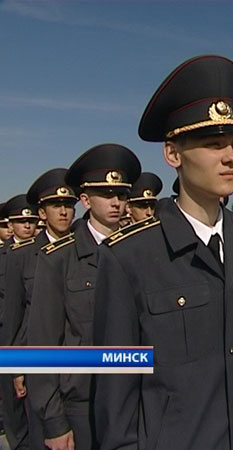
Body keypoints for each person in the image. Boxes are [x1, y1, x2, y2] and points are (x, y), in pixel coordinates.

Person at [92, 55, 233, 450]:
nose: (231, 157)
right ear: (173, 154)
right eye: (214, 144)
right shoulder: (130, 257)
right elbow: (117, 391)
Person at [27, 144, 140, 450]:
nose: (116, 202)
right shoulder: (58, 260)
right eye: (106, 194)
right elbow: (42, 345)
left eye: (122, 195)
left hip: (136, 399)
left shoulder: (142, 253)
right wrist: (53, 422)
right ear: (86, 200)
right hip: (82, 403)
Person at [3, 169, 78, 450]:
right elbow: (13, 317)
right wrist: (15, 368)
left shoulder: (84, 250)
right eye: (56, 206)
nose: (64, 212)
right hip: (36, 360)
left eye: (69, 206)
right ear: (42, 213)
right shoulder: (22, 256)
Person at [0, 195, 38, 450]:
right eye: (21, 221)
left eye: (31, 221)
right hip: (6, 331)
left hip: (27, 332)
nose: (27, 226)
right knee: (11, 399)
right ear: (10, 225)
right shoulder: (5, 254)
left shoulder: (42, 253)